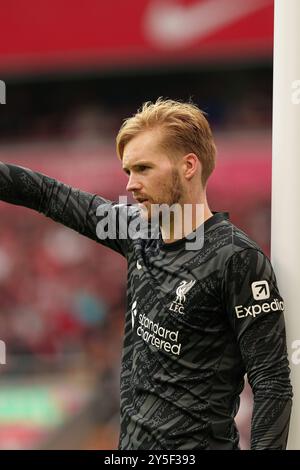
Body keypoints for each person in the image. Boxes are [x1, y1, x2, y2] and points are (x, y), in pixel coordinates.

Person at [0, 98, 293, 450]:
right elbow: (48, 194)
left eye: (143, 169)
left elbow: (271, 381)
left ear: (188, 166)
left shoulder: (236, 258)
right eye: (128, 172)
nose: (130, 185)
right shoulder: (135, 231)